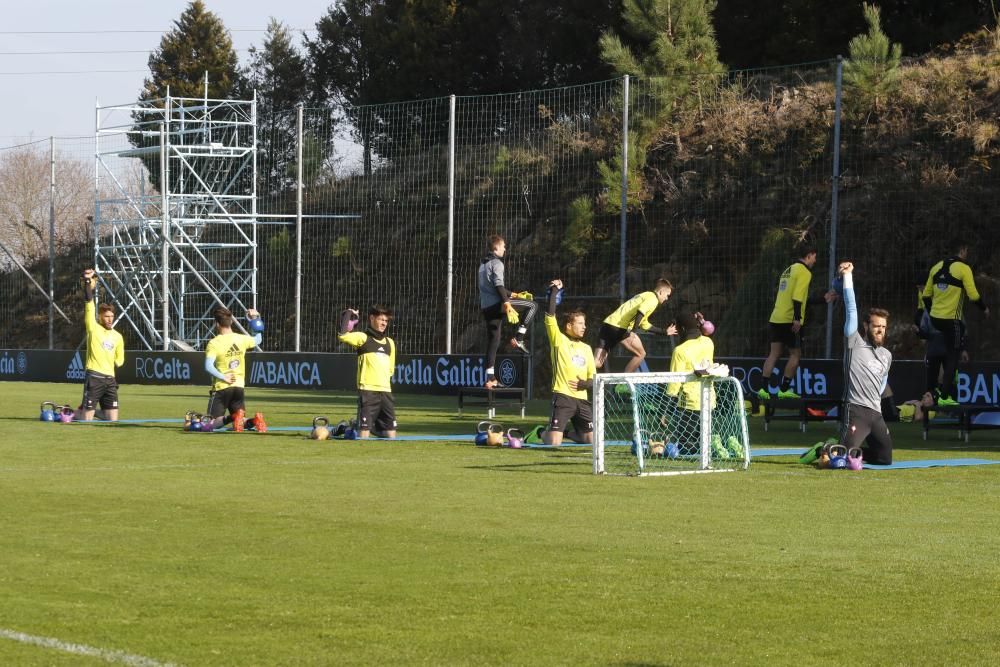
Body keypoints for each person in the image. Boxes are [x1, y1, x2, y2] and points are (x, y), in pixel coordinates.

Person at [758, 242, 837, 401]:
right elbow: (797, 298)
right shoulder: (805, 272)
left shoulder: (789, 270)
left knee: (774, 353)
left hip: (776, 317)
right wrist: (797, 319)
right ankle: (784, 389)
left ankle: (763, 390)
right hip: (790, 320)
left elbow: (800, 298)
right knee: (795, 355)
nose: (815, 260)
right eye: (814, 257)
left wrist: (823, 299)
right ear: (809, 256)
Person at [920, 241, 989, 405]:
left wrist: (932, 314)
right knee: (953, 357)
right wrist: (984, 308)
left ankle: (934, 394)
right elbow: (973, 295)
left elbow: (926, 296)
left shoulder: (936, 267)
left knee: (943, 353)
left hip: (936, 320)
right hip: (952, 321)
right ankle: (944, 398)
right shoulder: (964, 268)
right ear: (963, 250)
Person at [838, 261, 893, 465]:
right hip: (856, 410)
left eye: (884, 327)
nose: (880, 330)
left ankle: (855, 454)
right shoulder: (854, 342)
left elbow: (882, 382)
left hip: (875, 414)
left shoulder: (887, 355)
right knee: (841, 459)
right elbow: (851, 309)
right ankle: (825, 450)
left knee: (885, 458)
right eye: (876, 326)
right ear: (866, 326)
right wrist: (848, 277)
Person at [478, 234, 538, 388]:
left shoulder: (483, 265)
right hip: (498, 304)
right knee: (532, 305)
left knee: (493, 341)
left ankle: (490, 379)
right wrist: (507, 302)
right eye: (503, 246)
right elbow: (498, 285)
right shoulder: (497, 263)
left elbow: (495, 287)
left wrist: (513, 295)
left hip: (486, 308)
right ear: (496, 247)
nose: (505, 249)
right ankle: (519, 338)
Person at [541, 279, 596, 446]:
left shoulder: (587, 348)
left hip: (582, 400)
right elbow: (550, 315)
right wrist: (555, 292)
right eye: (580, 323)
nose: (584, 327)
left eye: (584, 324)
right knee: (554, 443)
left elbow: (593, 379)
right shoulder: (558, 340)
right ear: (569, 325)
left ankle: (567, 433)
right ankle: (542, 432)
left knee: (591, 440)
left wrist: (584, 384)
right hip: (563, 397)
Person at [203, 307, 267, 433]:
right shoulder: (241, 339)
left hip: (222, 387)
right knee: (240, 421)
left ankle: (232, 417)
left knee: (210, 424)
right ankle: (255, 421)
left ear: (217, 324)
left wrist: (223, 377)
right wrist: (255, 319)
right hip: (238, 387)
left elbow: (208, 366)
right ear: (231, 322)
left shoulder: (214, 343)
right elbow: (258, 339)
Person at [338, 304, 397, 438]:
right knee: (363, 435)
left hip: (386, 392)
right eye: (381, 319)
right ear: (372, 318)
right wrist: (348, 313)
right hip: (368, 391)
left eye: (386, 321)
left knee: (391, 435)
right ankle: (346, 428)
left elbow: (390, 369)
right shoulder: (363, 338)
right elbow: (342, 335)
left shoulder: (390, 343)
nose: (384, 323)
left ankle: (353, 426)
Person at [593, 279, 676, 373]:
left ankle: (577, 367)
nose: (667, 298)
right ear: (661, 292)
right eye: (667, 295)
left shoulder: (645, 295)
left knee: (597, 362)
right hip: (620, 328)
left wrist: (664, 332)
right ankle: (624, 385)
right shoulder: (653, 299)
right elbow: (641, 312)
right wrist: (633, 331)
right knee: (641, 354)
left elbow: (644, 324)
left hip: (608, 324)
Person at [665, 312, 716, 455]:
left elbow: (674, 383)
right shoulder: (708, 343)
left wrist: (666, 411)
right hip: (708, 398)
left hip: (689, 403)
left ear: (681, 330)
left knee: (686, 445)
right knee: (705, 438)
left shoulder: (680, 351)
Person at [77, 268, 125, 421]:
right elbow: (89, 304)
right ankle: (72, 413)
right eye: (106, 316)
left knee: (112, 419)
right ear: (100, 317)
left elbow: (120, 360)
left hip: (110, 380)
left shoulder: (117, 336)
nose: (110, 319)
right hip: (94, 377)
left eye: (112, 316)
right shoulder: (93, 328)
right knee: (86, 420)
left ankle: (84, 410)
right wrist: (87, 283)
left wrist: (116, 361)